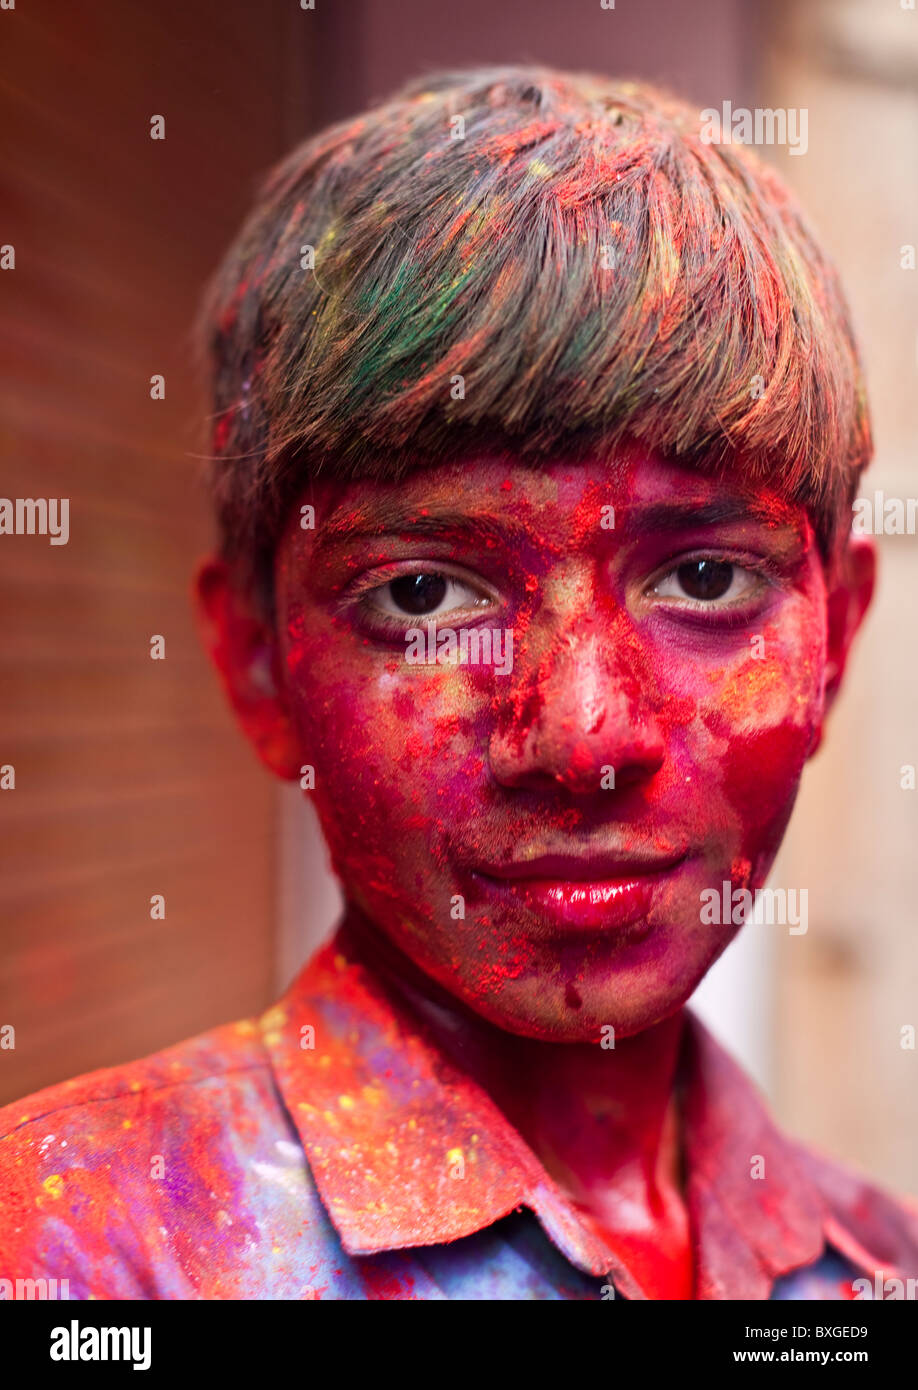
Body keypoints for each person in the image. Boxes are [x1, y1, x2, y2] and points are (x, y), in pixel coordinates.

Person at [2, 66, 916, 1301]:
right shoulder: (67, 1255)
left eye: (703, 578)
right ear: (260, 665)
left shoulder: (873, 1267)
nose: (587, 733)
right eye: (425, 595)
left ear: (836, 635)